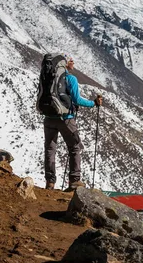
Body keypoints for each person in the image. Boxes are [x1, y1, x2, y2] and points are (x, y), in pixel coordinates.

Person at [43, 55, 102, 191]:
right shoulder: (70, 79)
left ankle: (50, 183)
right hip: (66, 119)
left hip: (49, 117)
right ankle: (74, 181)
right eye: (70, 60)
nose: (73, 62)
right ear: (65, 64)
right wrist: (93, 103)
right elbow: (77, 100)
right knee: (74, 148)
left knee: (50, 149)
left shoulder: (48, 77)